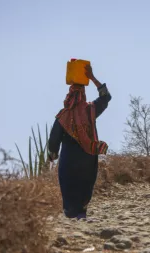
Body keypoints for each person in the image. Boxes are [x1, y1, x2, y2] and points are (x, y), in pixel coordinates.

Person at [47, 64, 111, 219]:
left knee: (69, 187)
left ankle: (71, 216)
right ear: (83, 94)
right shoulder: (90, 110)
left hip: (68, 159)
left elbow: (53, 141)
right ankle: (82, 214)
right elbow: (106, 97)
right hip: (87, 158)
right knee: (85, 185)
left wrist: (53, 155)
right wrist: (92, 77)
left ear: (69, 95)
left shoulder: (63, 116)